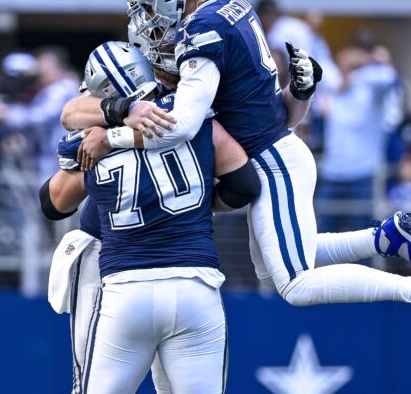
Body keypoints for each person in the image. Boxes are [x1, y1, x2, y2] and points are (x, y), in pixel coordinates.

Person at [63, 0, 411, 341]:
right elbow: (272, 113)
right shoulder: (230, 5)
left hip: (274, 162)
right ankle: (384, 239)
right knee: (271, 266)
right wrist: (299, 93)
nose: (146, 19)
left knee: (296, 284)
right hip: (277, 152)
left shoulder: (200, 32)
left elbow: (182, 124)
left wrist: (112, 138)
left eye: (148, 6)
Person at [43, 42, 260, 393]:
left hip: (126, 289)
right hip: (195, 283)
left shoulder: (92, 140)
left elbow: (53, 204)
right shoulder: (193, 119)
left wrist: (100, 142)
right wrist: (200, 200)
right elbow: (244, 185)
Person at [316, 31, 404, 232]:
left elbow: (390, 78)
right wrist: (344, 77)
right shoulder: (334, 83)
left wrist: (373, 63)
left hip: (363, 175)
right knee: (322, 239)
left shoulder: (374, 85)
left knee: (362, 240)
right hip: (332, 174)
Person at [0, 47, 79, 182]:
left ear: (56, 68)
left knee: (53, 198)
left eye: (43, 69)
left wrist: (2, 111)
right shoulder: (53, 89)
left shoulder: (62, 89)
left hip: (59, 159)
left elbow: (39, 117)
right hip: (55, 157)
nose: (39, 73)